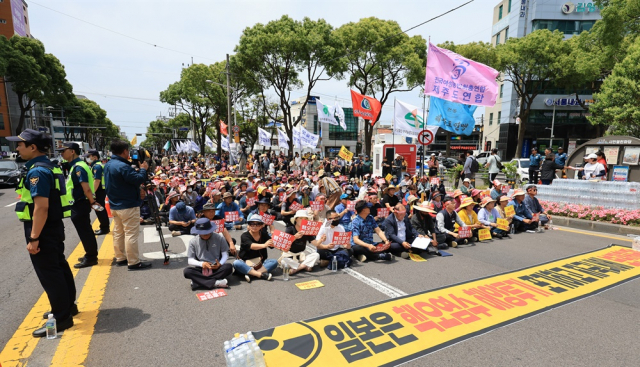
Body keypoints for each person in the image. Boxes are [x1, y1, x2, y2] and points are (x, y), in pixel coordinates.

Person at [10, 129, 77, 337]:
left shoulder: (37, 171)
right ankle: (68, 307)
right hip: (53, 227)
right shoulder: (49, 166)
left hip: (43, 228)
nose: (17, 148)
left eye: (20, 145)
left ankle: (61, 317)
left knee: (50, 273)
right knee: (59, 267)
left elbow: (41, 207)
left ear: (33, 147)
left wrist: (34, 237)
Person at [104, 139, 152, 270]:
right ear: (125, 151)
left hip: (115, 204)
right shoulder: (123, 166)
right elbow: (137, 179)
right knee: (131, 234)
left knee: (119, 232)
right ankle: (134, 262)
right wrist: (143, 170)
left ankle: (120, 257)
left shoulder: (108, 164)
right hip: (128, 204)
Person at [58, 142, 102, 269]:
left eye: (63, 151)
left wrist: (92, 201)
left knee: (85, 232)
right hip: (79, 203)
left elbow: (86, 188)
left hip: (80, 204)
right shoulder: (78, 165)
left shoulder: (78, 167)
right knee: (86, 231)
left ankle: (91, 257)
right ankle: (90, 254)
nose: (61, 154)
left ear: (72, 151)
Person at [183, 218, 233, 290]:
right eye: (203, 233)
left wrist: (220, 264)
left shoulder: (219, 238)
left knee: (228, 267)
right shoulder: (193, 241)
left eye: (207, 232)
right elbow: (190, 259)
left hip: (216, 266)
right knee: (187, 271)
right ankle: (216, 283)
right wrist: (202, 264)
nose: (206, 234)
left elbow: (225, 254)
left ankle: (199, 282)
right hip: (201, 267)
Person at [234, 214, 276, 282]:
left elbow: (272, 244)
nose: (255, 226)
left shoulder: (264, 234)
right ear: (249, 225)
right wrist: (264, 245)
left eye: (258, 224)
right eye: (252, 224)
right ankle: (261, 274)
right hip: (245, 263)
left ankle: (252, 274)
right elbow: (251, 246)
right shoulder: (244, 236)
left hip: (260, 262)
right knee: (236, 263)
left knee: (274, 262)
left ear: (262, 225)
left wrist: (280, 246)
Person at [280, 210, 321, 275]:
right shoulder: (290, 229)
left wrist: (321, 239)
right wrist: (294, 237)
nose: (303, 220)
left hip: (301, 256)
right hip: (290, 255)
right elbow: (284, 244)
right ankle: (305, 266)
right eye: (301, 218)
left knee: (316, 255)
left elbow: (315, 243)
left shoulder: (307, 230)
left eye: (305, 219)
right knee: (283, 261)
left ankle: (297, 269)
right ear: (296, 219)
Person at [87, 150, 110, 235]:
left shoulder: (97, 167)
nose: (88, 158)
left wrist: (92, 193)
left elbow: (97, 180)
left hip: (99, 190)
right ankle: (104, 227)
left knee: (99, 209)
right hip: (100, 190)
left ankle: (104, 228)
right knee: (100, 209)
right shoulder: (96, 166)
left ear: (95, 157)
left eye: (89, 156)